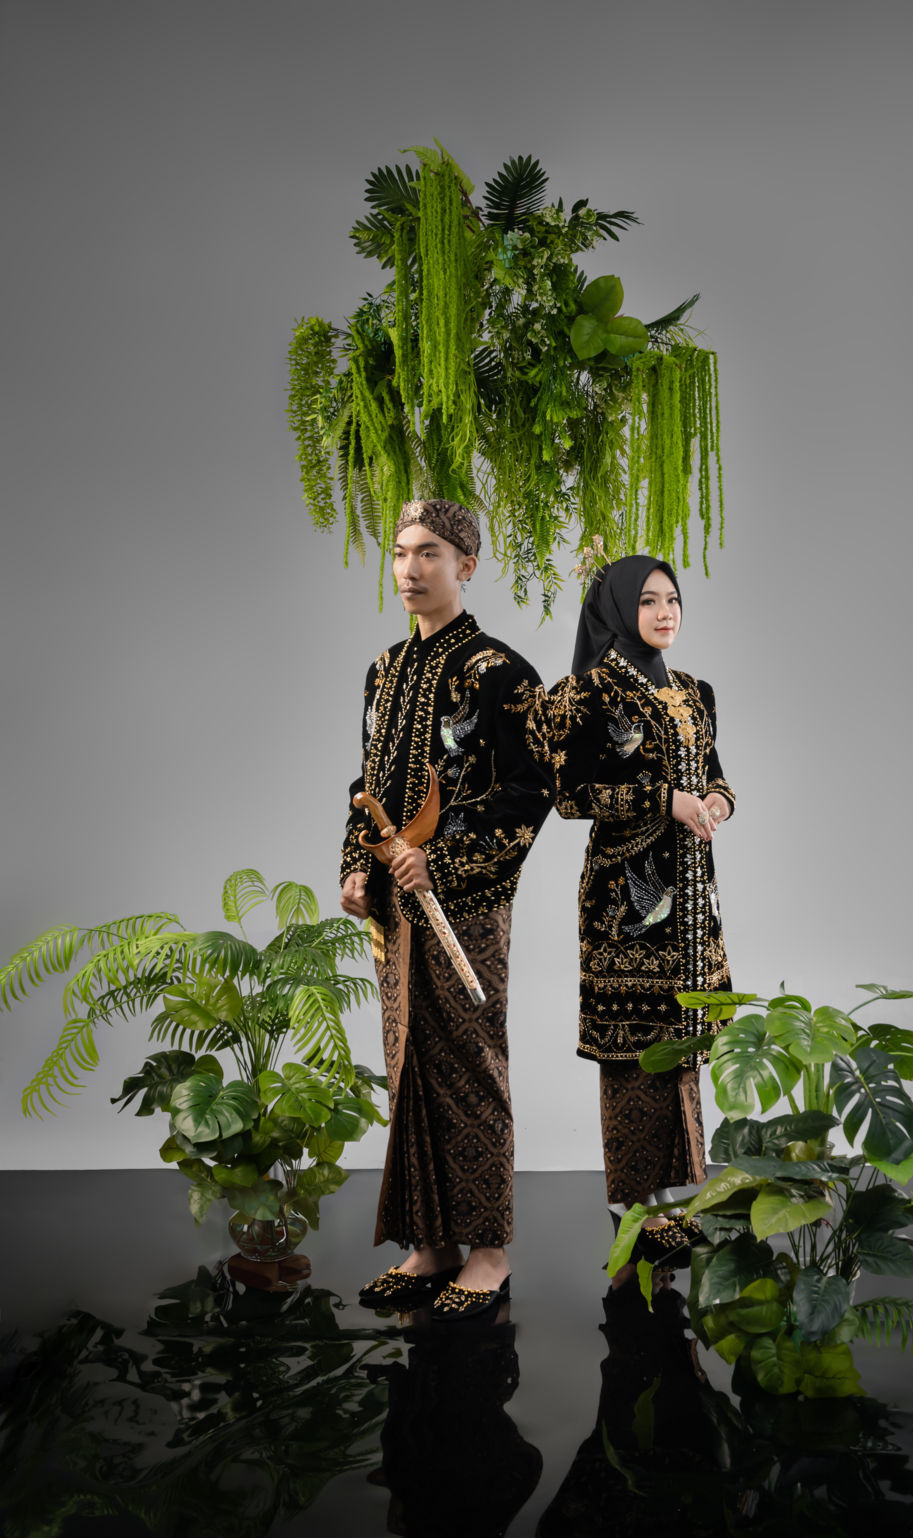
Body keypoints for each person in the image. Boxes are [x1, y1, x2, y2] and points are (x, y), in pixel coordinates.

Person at [340, 499, 552, 1317]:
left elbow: (531, 791)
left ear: (466, 564)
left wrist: (447, 858)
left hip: (466, 902)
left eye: (428, 551)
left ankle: (489, 1251)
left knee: (470, 1062)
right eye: (400, 552)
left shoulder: (504, 672)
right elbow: (367, 783)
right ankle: (432, 1245)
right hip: (393, 904)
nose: (410, 568)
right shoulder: (383, 669)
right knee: (409, 1064)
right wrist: (356, 866)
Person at [536, 555, 734, 1261]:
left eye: (672, 599)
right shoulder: (582, 695)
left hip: (693, 904)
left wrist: (715, 803)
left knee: (682, 1046)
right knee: (632, 1051)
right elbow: (570, 796)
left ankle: (675, 1195)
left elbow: (717, 776)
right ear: (620, 610)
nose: (665, 612)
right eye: (648, 601)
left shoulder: (694, 692)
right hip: (624, 906)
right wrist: (663, 801)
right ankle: (635, 1206)